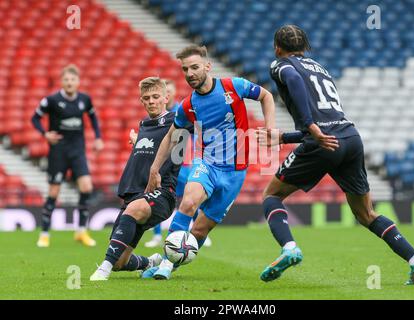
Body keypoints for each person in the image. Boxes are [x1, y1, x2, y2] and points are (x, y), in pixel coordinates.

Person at [256, 25, 414, 285]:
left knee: (272, 195)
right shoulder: (322, 70)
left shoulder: (281, 64)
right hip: (350, 138)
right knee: (366, 214)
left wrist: (311, 127)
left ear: (277, 48)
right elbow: (329, 124)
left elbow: (295, 86)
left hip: (324, 143)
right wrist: (285, 137)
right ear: (306, 47)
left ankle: (289, 248)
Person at [143, 45, 275, 280]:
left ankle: (172, 265)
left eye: (194, 67)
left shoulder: (233, 86)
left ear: (207, 66)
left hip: (235, 173)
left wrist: (270, 127)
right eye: (185, 69)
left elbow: (266, 95)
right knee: (188, 202)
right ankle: (165, 263)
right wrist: (155, 167)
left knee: (200, 230)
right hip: (207, 164)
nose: (190, 73)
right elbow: (172, 136)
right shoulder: (187, 105)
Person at [89, 77, 184, 281]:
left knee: (133, 211)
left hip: (162, 193)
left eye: (156, 97)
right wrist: (138, 142)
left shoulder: (177, 121)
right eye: (146, 98)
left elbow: (178, 151)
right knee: (120, 262)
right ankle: (150, 262)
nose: (151, 101)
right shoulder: (144, 126)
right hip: (135, 194)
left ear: (166, 97)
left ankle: (102, 269)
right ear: (141, 101)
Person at [31, 64, 104, 247]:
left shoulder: (85, 99)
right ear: (62, 82)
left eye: (72, 79)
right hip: (59, 151)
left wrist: (98, 138)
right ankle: (45, 233)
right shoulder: (51, 100)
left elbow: (93, 118)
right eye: (66, 80)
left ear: (78, 82)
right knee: (54, 192)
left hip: (77, 149)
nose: (69, 82)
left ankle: (81, 231)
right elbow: (35, 118)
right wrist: (45, 134)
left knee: (86, 187)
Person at [144, 79, 213, 248]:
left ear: (171, 95)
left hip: (184, 162)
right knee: (157, 197)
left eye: (170, 91)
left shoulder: (181, 112)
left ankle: (198, 230)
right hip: (164, 162)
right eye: (165, 90)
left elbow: (198, 130)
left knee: (190, 199)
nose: (168, 93)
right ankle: (157, 235)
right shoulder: (155, 116)